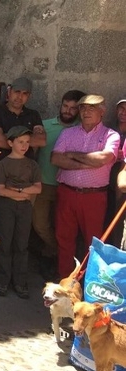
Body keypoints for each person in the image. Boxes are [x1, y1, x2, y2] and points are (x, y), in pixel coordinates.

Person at [0, 77, 46, 291]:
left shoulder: (33, 115)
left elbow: (43, 140)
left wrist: (13, 138)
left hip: (28, 180)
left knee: (21, 230)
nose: (19, 96)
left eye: (24, 93)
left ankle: (15, 278)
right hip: (0, 178)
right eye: (16, 92)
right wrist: (27, 140)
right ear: (9, 92)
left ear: (28, 96)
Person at [51, 94, 119, 279]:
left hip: (94, 197)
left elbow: (104, 158)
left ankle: (90, 281)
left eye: (92, 108)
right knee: (64, 238)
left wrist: (72, 155)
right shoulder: (68, 133)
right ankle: (65, 280)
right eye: (83, 108)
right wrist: (89, 162)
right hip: (67, 193)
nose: (86, 112)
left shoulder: (111, 135)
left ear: (102, 112)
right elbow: (56, 158)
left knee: (93, 240)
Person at [33, 90, 86, 280]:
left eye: (73, 108)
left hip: (70, 187)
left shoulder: (83, 131)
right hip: (44, 184)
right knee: (39, 224)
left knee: (65, 227)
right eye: (65, 106)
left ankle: (54, 257)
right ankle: (57, 251)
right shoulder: (45, 126)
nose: (68, 111)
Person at [0, 126, 42, 298]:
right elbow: (1, 191)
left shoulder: (32, 164)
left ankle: (20, 282)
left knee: (22, 244)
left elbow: (38, 188)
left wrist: (17, 189)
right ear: (10, 142)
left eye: (27, 142)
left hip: (24, 209)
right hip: (6, 207)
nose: (24, 145)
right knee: (4, 243)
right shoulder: (3, 164)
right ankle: (2, 281)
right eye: (20, 142)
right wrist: (23, 192)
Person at [106, 96, 126, 246]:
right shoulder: (107, 130)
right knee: (107, 218)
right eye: (121, 108)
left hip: (123, 183)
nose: (124, 112)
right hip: (105, 180)